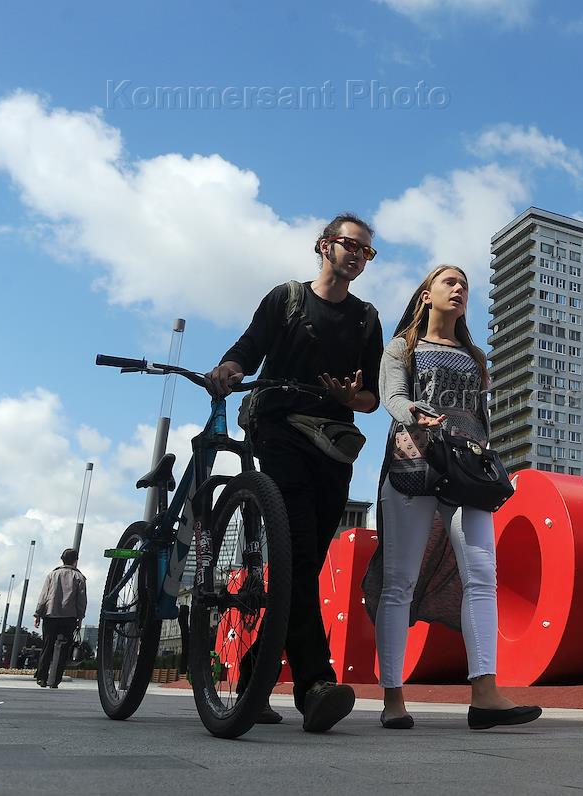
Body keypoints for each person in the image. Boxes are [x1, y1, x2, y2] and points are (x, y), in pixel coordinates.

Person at [205, 212, 384, 732]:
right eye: (350, 245)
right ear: (324, 246)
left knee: (301, 564)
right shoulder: (286, 298)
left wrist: (350, 397)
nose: (358, 256)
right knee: (300, 548)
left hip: (334, 442)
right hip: (280, 430)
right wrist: (230, 368)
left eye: (366, 251)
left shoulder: (367, 318)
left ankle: (251, 682)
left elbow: (371, 397)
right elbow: (249, 347)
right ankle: (315, 685)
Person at [370, 264, 541, 730]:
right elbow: (392, 397)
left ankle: (485, 694)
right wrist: (415, 412)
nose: (460, 288)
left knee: (482, 576)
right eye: (450, 281)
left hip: (466, 473)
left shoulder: (475, 355)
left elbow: (480, 418)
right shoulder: (402, 347)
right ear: (426, 294)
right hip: (413, 466)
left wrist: (488, 461)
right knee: (399, 583)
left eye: (465, 284)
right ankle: (393, 697)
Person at [34, 548, 87, 688]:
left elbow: (43, 596)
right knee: (63, 649)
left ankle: (42, 678)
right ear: (76, 561)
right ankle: (55, 680)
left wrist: (38, 614)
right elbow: (81, 600)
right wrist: (80, 618)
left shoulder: (52, 575)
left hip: (51, 614)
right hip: (69, 617)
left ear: (62, 559)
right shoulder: (79, 577)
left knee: (47, 646)